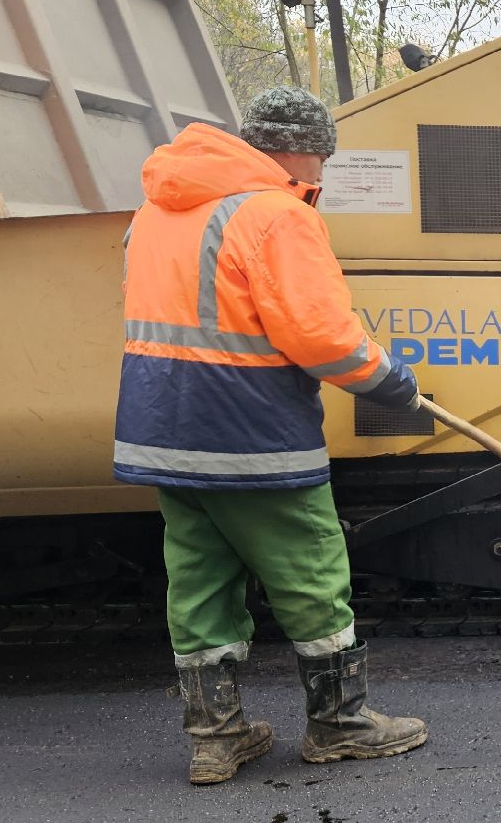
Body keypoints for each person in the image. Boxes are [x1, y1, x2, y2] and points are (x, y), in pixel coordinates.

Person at [116, 87, 430, 784]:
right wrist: (394, 386)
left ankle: (215, 739)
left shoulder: (158, 209)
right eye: (320, 157)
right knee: (312, 569)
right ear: (297, 148)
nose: (319, 174)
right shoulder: (274, 214)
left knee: (199, 580)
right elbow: (321, 337)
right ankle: (340, 724)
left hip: (164, 429)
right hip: (249, 429)